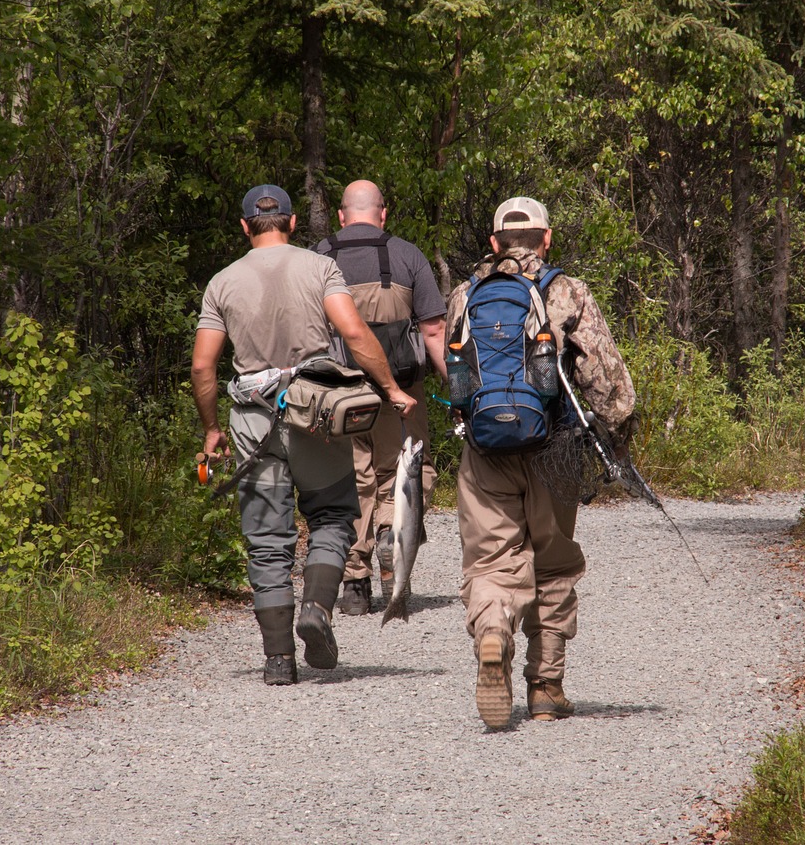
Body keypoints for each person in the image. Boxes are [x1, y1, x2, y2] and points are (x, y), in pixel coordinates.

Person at [191, 184, 416, 686]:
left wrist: (211, 429)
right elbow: (355, 334)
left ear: (245, 226)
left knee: (267, 541)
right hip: (313, 413)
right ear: (292, 223)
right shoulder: (319, 268)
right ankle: (315, 608)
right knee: (334, 516)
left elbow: (203, 366)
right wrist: (391, 388)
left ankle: (278, 661)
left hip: (253, 423)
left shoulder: (221, 282)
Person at [445, 196, 637, 728]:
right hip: (555, 448)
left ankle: (492, 632)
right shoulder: (566, 291)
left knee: (490, 561)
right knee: (552, 563)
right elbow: (612, 386)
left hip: (485, 450)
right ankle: (547, 688)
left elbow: (455, 376)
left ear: (494, 243)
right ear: (546, 239)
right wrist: (616, 440)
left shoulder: (464, 295)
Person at [311, 180, 448, 615]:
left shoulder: (318, 256)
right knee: (409, 468)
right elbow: (433, 331)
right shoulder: (407, 255)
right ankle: (392, 531)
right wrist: (459, 389)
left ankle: (354, 584)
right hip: (400, 390)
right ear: (383, 214)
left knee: (352, 479)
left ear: (341, 215)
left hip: (339, 393)